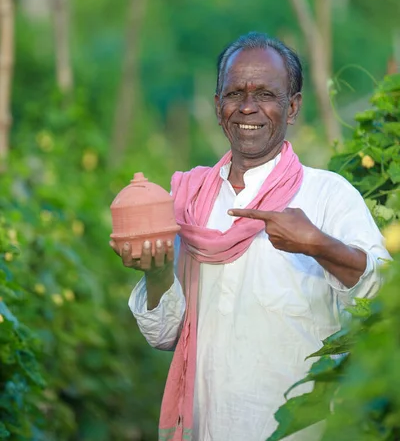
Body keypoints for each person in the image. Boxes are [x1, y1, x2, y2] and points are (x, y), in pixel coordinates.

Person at [110, 32, 390, 441]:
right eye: (234, 93)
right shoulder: (189, 201)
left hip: (302, 431)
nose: (247, 107)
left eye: (265, 94)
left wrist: (317, 244)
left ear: (292, 107)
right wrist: (156, 275)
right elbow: (164, 333)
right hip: (208, 425)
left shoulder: (327, 194)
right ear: (217, 105)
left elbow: (381, 295)